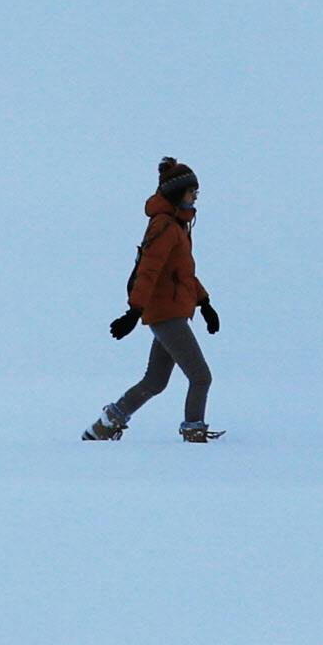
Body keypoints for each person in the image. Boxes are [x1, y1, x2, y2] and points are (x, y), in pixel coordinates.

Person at [84, 157, 220, 441]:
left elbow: (181, 274)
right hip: (166, 313)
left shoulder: (178, 227)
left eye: (197, 191)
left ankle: (105, 425)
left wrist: (204, 303)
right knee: (200, 376)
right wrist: (134, 311)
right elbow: (149, 270)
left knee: (155, 381)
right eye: (191, 191)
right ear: (177, 193)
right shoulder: (165, 226)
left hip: (171, 311)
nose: (196, 196)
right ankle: (194, 432)